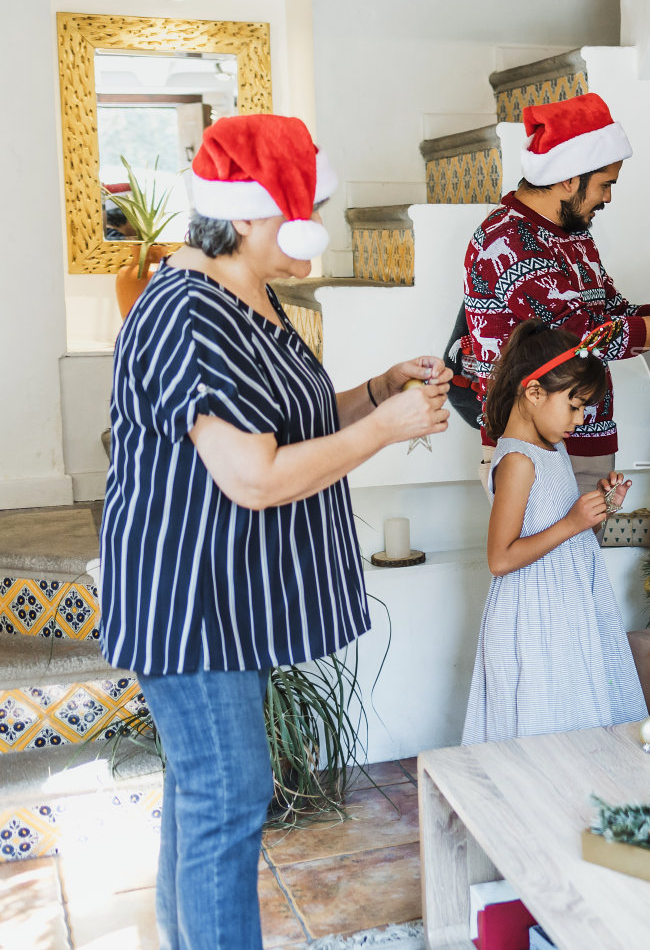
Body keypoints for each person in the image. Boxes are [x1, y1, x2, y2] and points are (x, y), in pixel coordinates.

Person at [99, 114, 450, 950]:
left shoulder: (246, 296)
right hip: (191, 598)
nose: (315, 233)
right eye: (304, 212)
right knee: (227, 794)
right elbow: (252, 475)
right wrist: (388, 429)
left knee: (206, 793)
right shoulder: (189, 310)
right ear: (252, 216)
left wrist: (375, 391)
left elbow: (288, 422)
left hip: (229, 598)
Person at [460, 92, 650, 492]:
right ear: (570, 177)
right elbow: (588, 338)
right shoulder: (512, 241)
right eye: (604, 184)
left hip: (584, 441)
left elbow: (613, 313)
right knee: (545, 556)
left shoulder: (571, 233)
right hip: (534, 448)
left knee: (582, 557)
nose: (608, 197)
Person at [462, 320, 649, 743]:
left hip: (567, 604)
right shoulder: (517, 461)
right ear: (533, 393)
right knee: (546, 721)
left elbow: (556, 515)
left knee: (577, 711)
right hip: (534, 613)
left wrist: (599, 504)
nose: (580, 419)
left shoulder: (552, 448)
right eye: (575, 405)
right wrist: (572, 522)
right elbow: (500, 558)